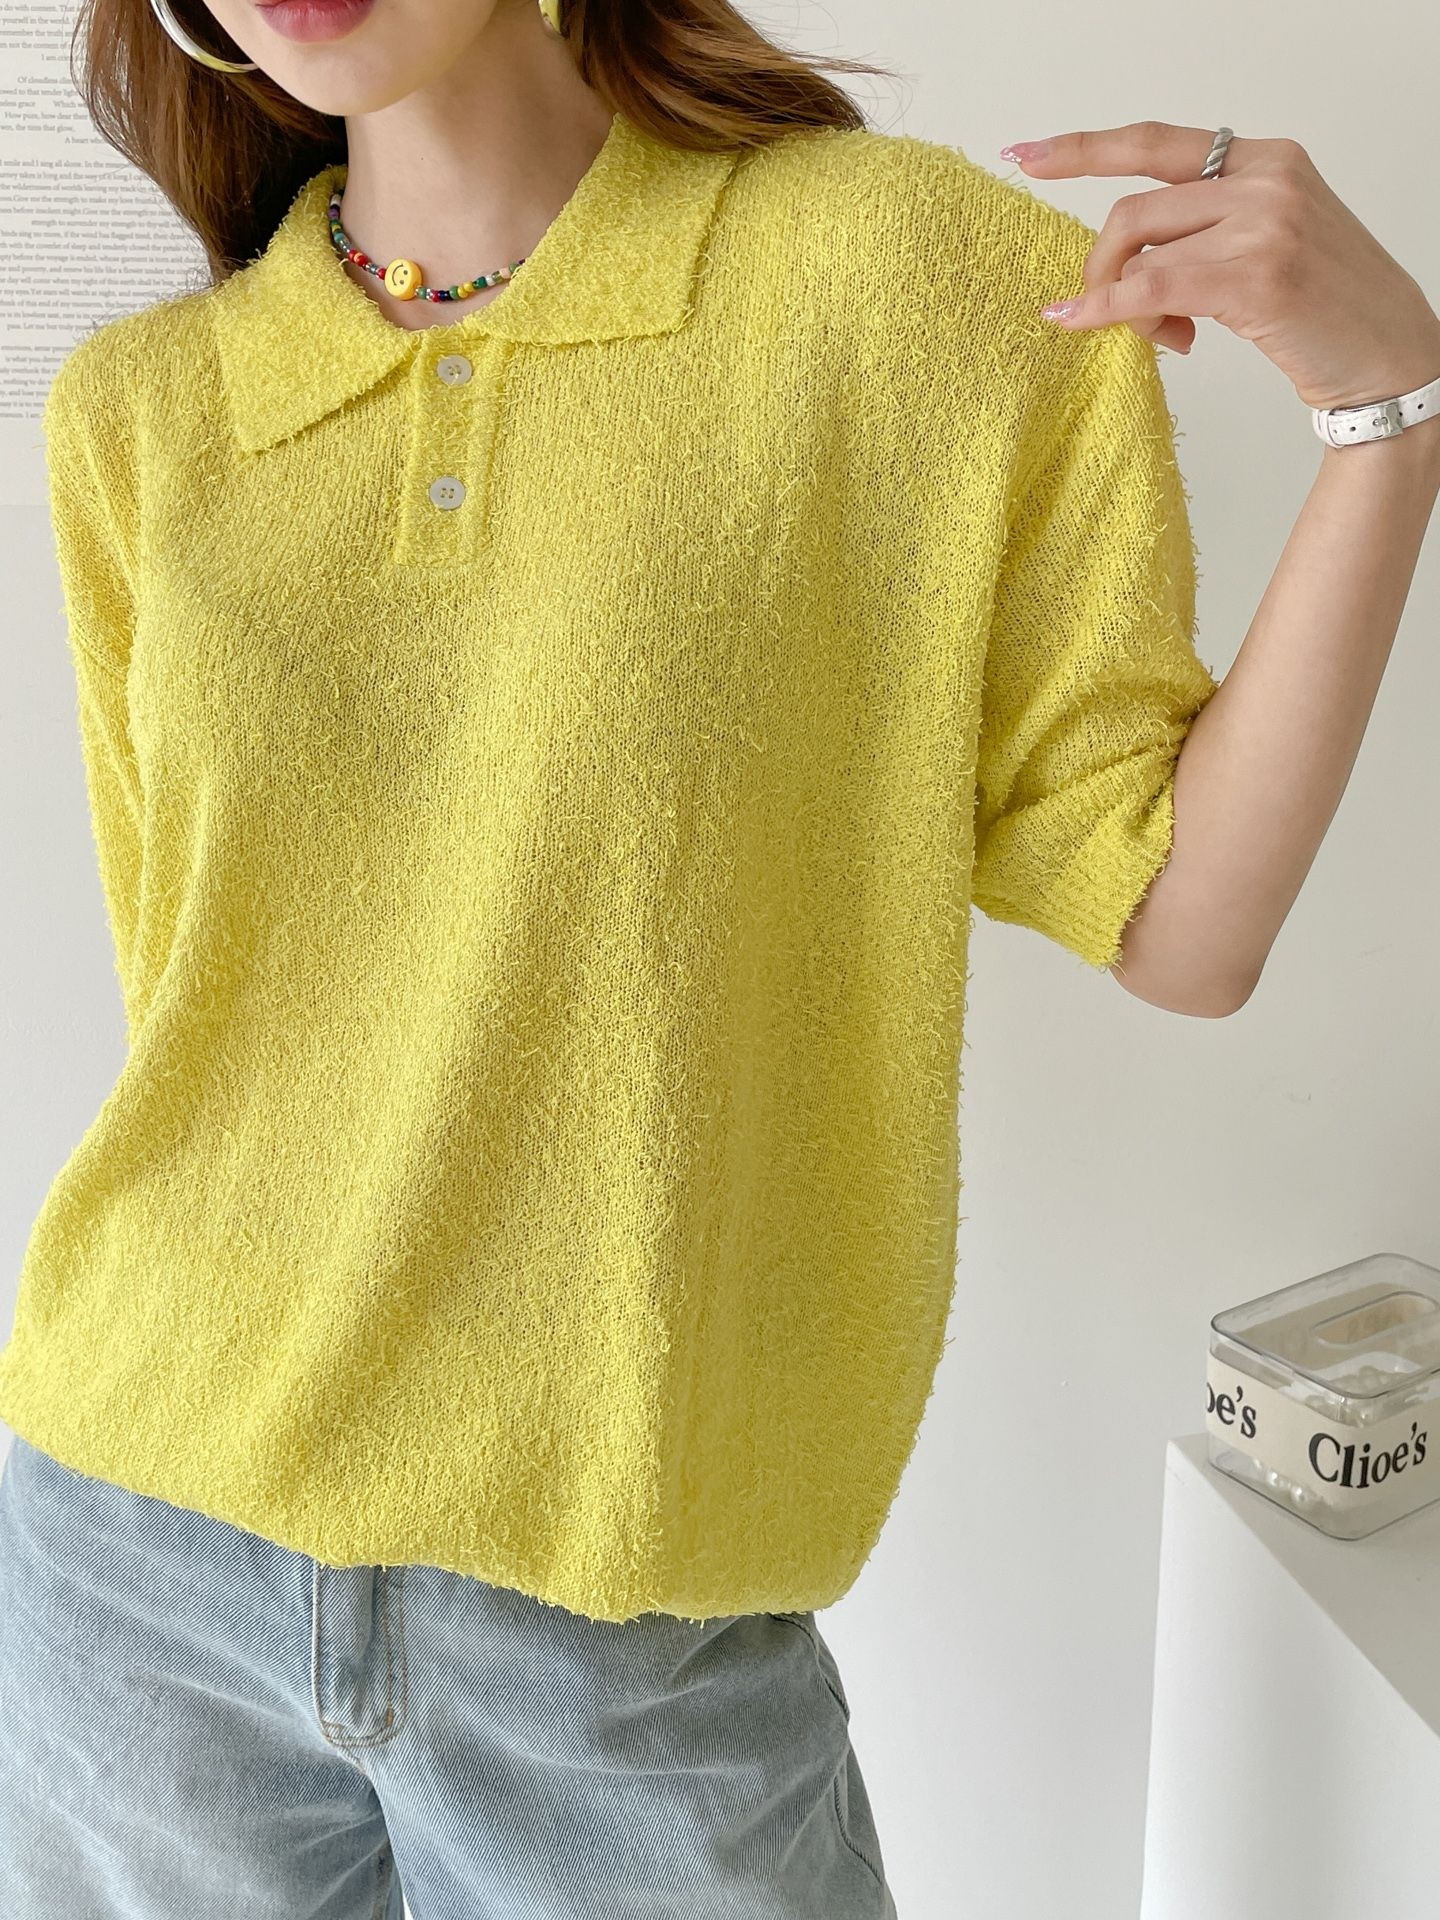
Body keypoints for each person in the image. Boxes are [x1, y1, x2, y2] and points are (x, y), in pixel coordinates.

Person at [2, 0, 1438, 1908]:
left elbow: (1184, 924)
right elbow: (199, 1002)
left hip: (624, 1622)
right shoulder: (139, 415)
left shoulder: (901, 280)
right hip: (128, 1546)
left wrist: (1387, 417)